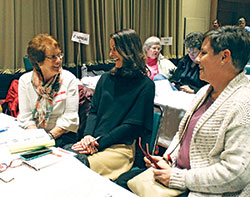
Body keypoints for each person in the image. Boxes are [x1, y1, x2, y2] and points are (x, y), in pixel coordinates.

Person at [137, 26, 250, 196]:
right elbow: (182, 136)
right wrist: (168, 159)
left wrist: (178, 178)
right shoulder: (205, 92)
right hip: (180, 176)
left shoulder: (244, 104)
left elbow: (236, 174)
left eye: (203, 53)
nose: (197, 59)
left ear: (224, 57)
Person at [67, 29, 155, 181]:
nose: (110, 54)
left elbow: (132, 126)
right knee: (63, 156)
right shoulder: (106, 79)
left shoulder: (146, 85)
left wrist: (98, 144)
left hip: (120, 149)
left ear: (128, 51)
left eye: (114, 49)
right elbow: (93, 111)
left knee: (75, 166)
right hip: (94, 142)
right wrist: (88, 136)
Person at [18, 34, 79, 147]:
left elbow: (70, 118)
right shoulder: (24, 81)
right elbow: (26, 117)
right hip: (34, 135)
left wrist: (48, 138)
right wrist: (37, 139)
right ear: (39, 62)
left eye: (59, 55)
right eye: (53, 57)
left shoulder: (69, 79)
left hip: (62, 136)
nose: (59, 60)